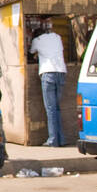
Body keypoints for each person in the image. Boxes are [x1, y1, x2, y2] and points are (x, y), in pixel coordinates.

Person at [29, 18, 68, 147]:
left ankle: (52, 140)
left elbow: (31, 52)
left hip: (48, 73)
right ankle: (61, 139)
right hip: (61, 72)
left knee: (50, 109)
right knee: (57, 108)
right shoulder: (57, 37)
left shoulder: (36, 41)